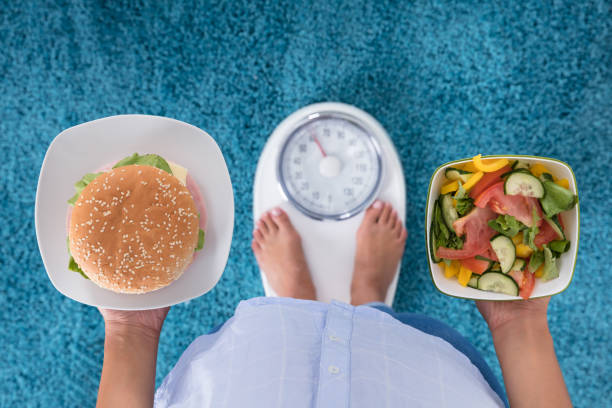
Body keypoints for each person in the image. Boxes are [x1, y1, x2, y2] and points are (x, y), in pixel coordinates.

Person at [96, 201, 572, 408]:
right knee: (391, 337)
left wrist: (130, 332)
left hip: (255, 372)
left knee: (284, 334)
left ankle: (294, 300)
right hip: (417, 381)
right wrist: (518, 325)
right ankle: (370, 294)